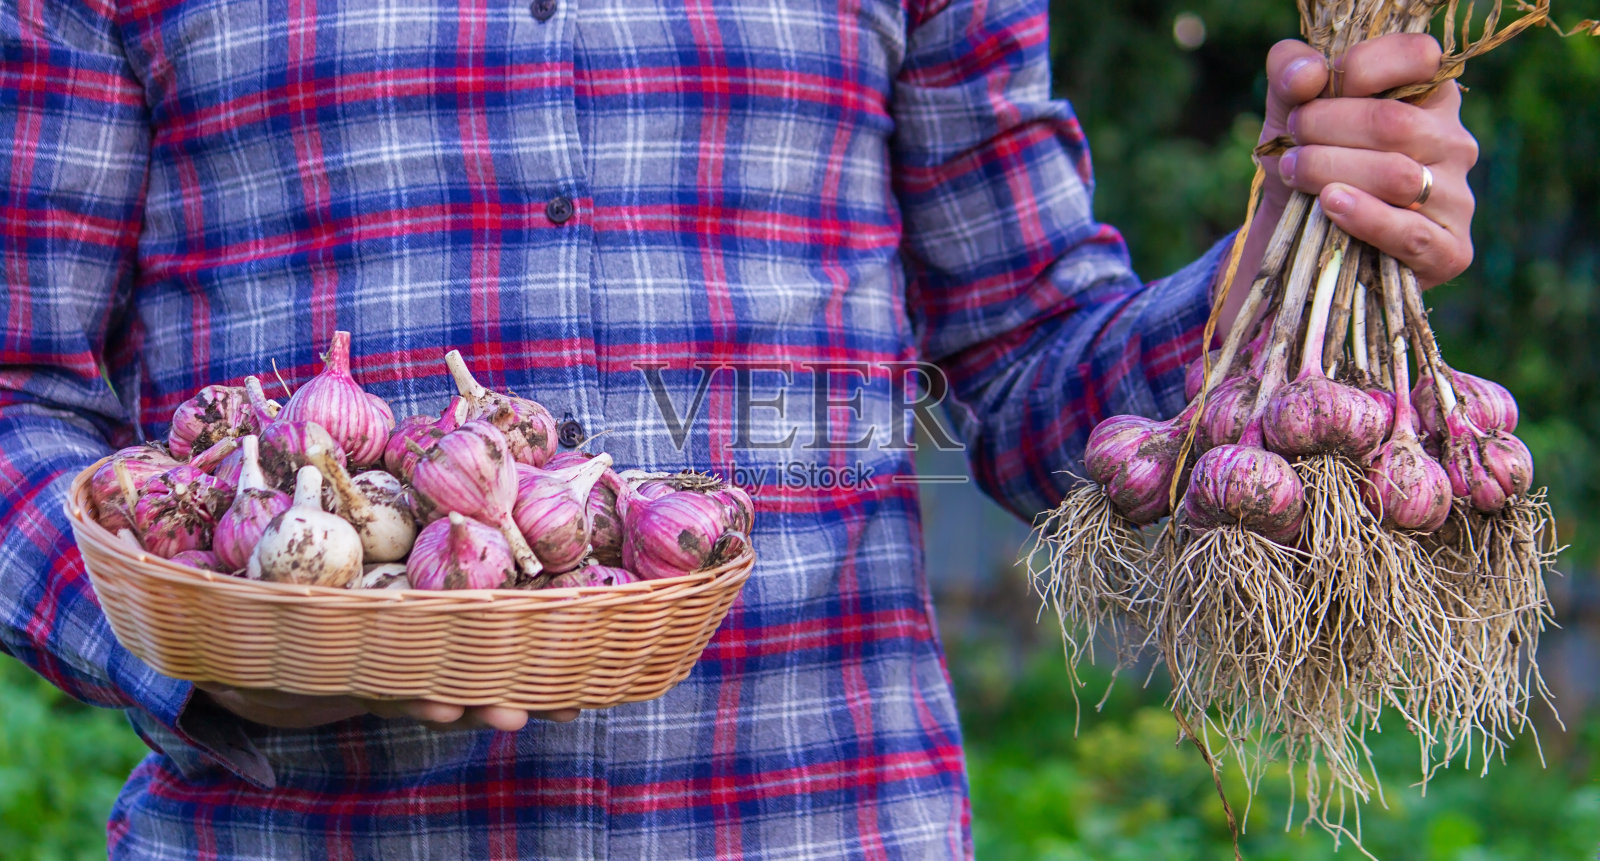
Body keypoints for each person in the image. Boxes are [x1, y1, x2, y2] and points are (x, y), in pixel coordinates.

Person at [0, 0, 1475, 856]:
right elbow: (18, 399)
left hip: (822, 816)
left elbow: (1030, 360)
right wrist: (215, 654)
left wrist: (1278, 269)